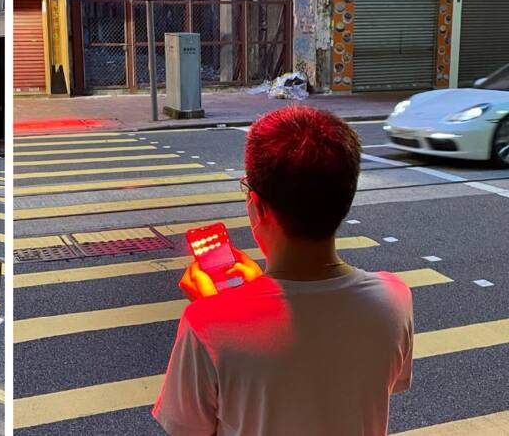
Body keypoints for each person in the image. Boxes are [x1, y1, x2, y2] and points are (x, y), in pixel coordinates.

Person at [154, 105, 414, 436]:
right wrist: (248, 300)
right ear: (346, 200)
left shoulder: (205, 325)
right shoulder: (395, 299)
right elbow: (340, 390)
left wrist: (217, 311)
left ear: (258, 206)